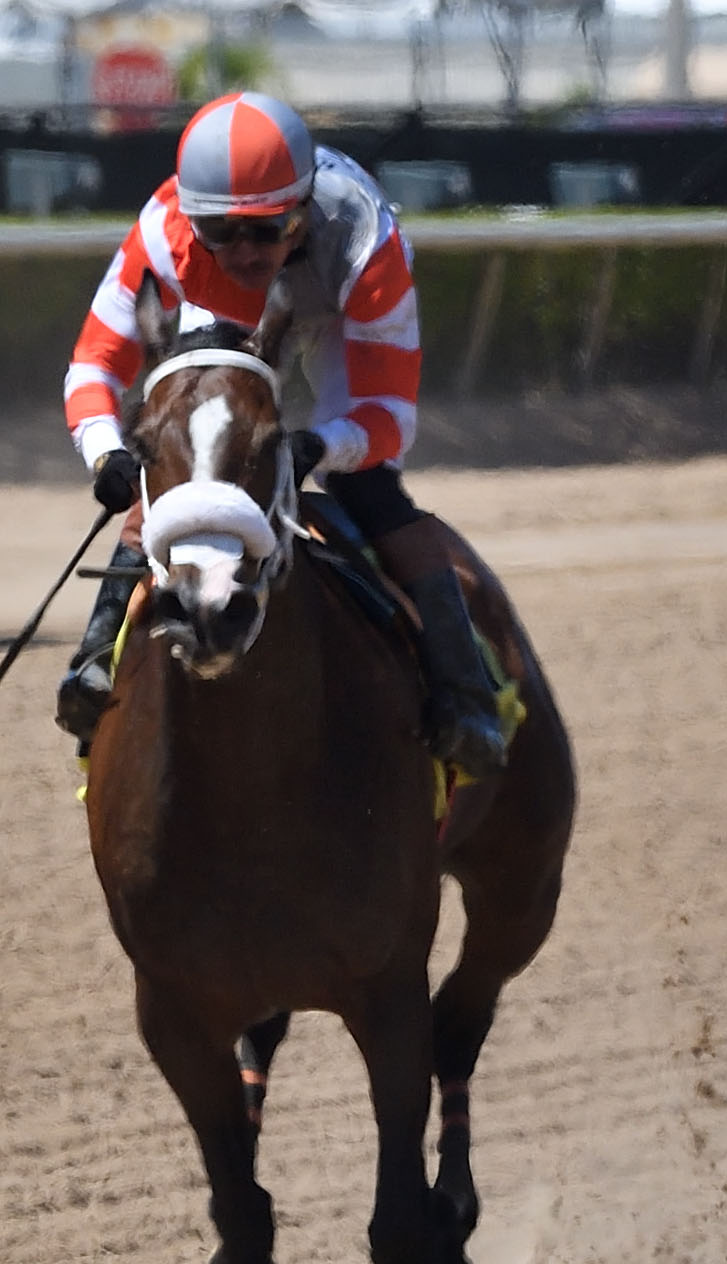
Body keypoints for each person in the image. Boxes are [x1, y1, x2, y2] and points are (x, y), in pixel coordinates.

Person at [57, 90, 507, 778]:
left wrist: (320, 446)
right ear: (192, 217)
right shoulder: (166, 234)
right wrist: (106, 454)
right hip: (216, 325)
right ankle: (94, 665)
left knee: (368, 489)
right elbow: (93, 366)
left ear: (301, 209)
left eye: (266, 229)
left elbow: (389, 416)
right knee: (181, 470)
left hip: (332, 309)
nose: (243, 251)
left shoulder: (364, 239)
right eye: (221, 232)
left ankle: (466, 691)